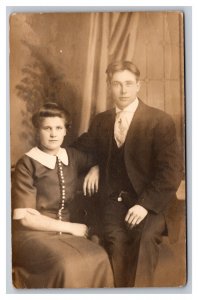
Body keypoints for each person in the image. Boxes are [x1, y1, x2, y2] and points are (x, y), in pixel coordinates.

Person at [73, 61, 183, 287]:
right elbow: (81, 149)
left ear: (138, 86)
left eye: (129, 84)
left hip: (153, 204)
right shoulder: (101, 121)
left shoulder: (159, 121)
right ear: (109, 86)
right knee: (117, 241)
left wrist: (144, 205)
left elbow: (171, 171)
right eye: (117, 84)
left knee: (142, 240)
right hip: (114, 201)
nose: (123, 90)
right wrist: (95, 166)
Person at [12, 102, 114, 288]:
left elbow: (103, 159)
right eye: (47, 128)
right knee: (67, 264)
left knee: (100, 257)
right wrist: (71, 227)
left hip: (66, 234)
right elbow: (26, 219)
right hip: (32, 237)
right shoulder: (27, 164)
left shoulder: (72, 156)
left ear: (66, 131)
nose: (53, 134)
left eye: (59, 128)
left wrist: (96, 168)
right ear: (38, 131)